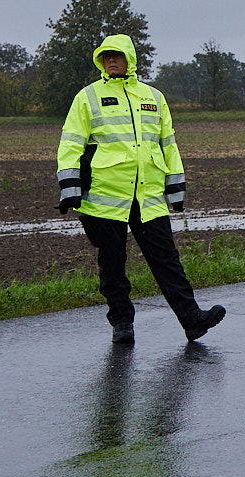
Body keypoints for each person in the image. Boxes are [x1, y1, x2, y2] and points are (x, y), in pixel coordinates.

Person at [55, 35, 226, 345]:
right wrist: (69, 189)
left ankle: (192, 320)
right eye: (105, 56)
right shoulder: (87, 97)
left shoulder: (154, 97)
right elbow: (70, 144)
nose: (110, 60)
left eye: (116, 55)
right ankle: (121, 322)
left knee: (167, 259)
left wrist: (175, 188)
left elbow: (168, 145)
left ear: (129, 58)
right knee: (112, 263)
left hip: (148, 197)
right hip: (104, 199)